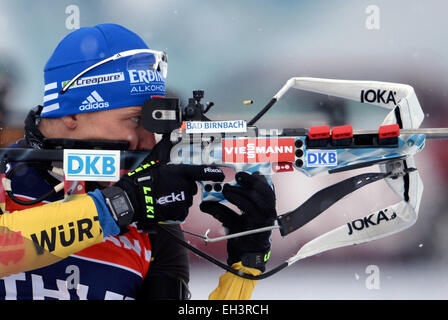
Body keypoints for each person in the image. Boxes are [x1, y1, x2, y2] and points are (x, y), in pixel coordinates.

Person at [0, 23, 276, 300]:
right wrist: (120, 205)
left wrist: (244, 269)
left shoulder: (151, 224)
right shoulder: (4, 179)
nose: (147, 143)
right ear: (72, 115)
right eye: (134, 120)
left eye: (152, 127)